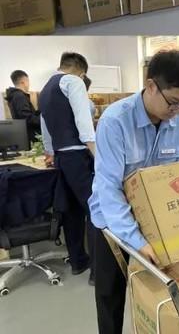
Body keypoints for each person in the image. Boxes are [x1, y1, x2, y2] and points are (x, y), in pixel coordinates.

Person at [89, 50, 179, 334]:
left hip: (156, 221)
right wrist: (136, 241)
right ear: (151, 86)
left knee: (158, 293)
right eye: (173, 102)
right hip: (111, 222)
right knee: (111, 295)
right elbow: (109, 189)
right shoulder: (115, 121)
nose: (178, 110)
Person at [38, 53, 96, 284]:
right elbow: (84, 122)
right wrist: (96, 154)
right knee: (95, 209)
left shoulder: (45, 90)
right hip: (78, 155)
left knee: (72, 211)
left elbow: (44, 125)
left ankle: (78, 262)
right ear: (81, 72)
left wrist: (50, 152)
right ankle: (98, 272)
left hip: (61, 157)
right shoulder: (73, 81)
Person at [5, 69, 41, 144]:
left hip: (24, 135)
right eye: (28, 81)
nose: (29, 84)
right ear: (23, 82)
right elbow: (27, 118)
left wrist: (39, 111)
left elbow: (26, 115)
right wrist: (43, 120)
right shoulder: (19, 96)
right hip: (30, 137)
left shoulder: (14, 95)